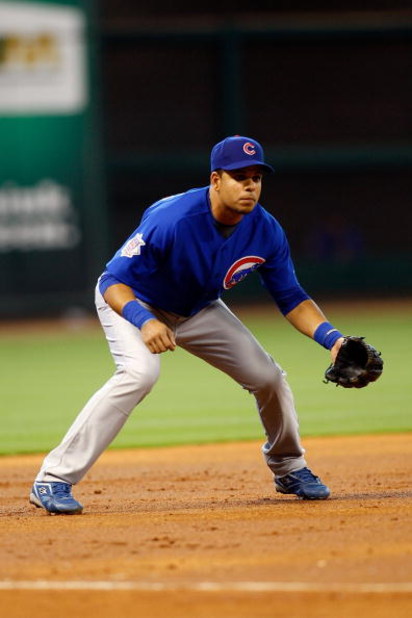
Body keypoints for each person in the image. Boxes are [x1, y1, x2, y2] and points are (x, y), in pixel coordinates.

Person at [30, 135, 345, 515]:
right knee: (139, 373)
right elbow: (112, 282)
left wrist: (333, 339)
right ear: (215, 180)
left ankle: (289, 467)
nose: (249, 185)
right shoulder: (175, 219)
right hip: (134, 300)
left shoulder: (265, 230)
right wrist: (144, 321)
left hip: (197, 309)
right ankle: (53, 478)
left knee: (269, 377)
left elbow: (292, 298)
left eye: (256, 177)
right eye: (238, 176)